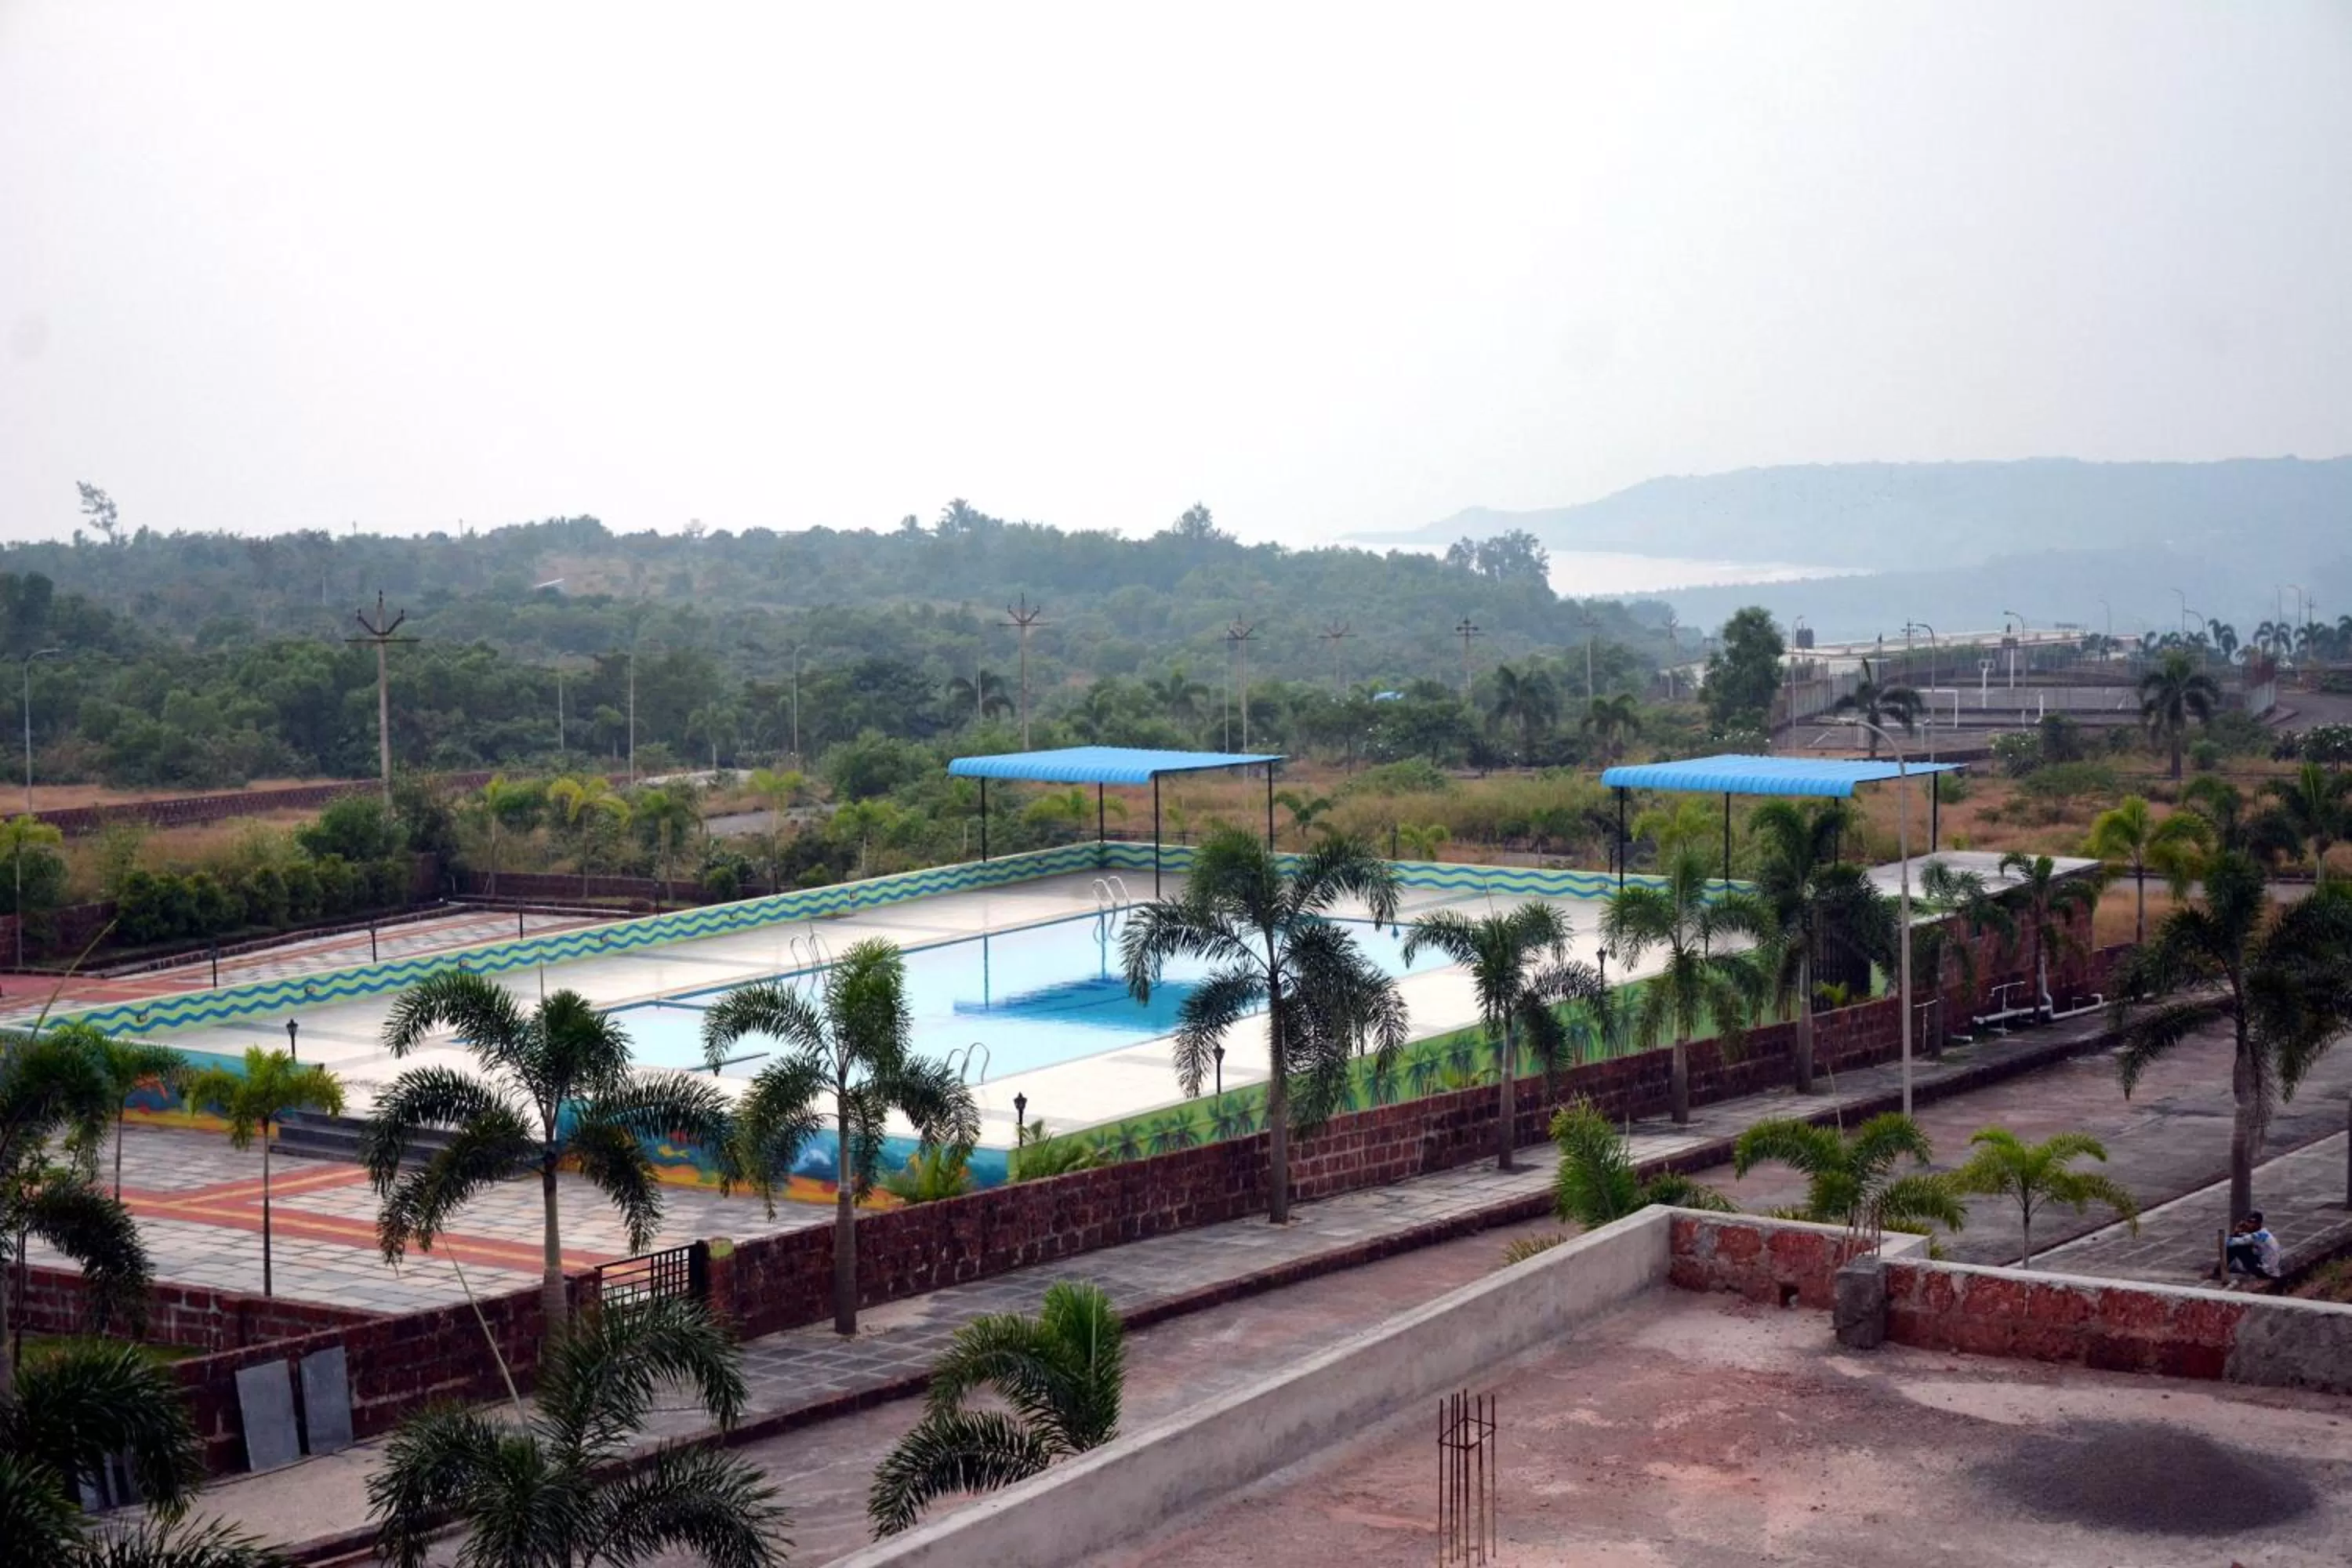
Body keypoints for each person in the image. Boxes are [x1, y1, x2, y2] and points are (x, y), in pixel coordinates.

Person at [2224, 1212, 2280, 1282]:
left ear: (2258, 1224)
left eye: (2251, 1223)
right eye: (2247, 1222)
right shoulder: (2264, 1233)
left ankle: (2219, 1272)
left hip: (2266, 1272)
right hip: (2272, 1270)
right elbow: (2246, 1238)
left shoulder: (2256, 1236)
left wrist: (2236, 1231)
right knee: (2242, 1243)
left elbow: (2228, 1243)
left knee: (2236, 1248)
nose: (2248, 1225)